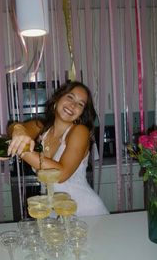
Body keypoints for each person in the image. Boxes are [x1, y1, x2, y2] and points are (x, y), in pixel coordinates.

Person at [7, 81, 109, 216]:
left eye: (80, 104)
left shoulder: (80, 131)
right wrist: (17, 129)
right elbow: (13, 128)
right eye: (70, 97)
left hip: (85, 213)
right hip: (53, 214)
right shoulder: (41, 128)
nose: (73, 105)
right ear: (57, 99)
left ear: (81, 113)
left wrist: (19, 149)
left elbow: (61, 174)